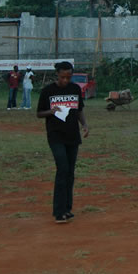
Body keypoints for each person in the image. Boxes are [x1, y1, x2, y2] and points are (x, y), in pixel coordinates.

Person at [36, 61, 88, 224]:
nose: (66, 80)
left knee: (70, 173)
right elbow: (39, 113)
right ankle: (59, 212)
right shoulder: (48, 91)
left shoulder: (75, 89)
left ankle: (67, 209)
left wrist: (84, 125)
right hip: (56, 136)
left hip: (72, 136)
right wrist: (51, 111)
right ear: (57, 75)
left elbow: (79, 110)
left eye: (69, 77)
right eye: (63, 77)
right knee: (62, 169)